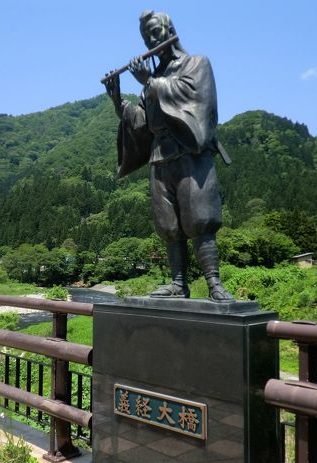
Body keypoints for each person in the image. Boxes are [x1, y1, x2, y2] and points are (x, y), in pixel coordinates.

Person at [104, 10, 233, 302]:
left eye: (154, 30)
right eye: (146, 34)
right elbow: (143, 122)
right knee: (169, 225)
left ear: (168, 28)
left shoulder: (196, 64)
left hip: (190, 153)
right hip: (159, 158)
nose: (151, 38)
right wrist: (118, 101)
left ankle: (214, 283)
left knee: (200, 219)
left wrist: (149, 82)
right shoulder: (155, 77)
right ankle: (178, 283)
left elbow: (193, 100)